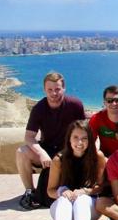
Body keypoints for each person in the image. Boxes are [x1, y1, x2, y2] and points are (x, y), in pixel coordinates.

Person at [17, 72, 86, 209]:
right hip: (47, 149)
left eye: (57, 89)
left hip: (69, 149)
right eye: (50, 90)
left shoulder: (75, 105)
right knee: (21, 152)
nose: (54, 93)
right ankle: (30, 192)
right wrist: (41, 153)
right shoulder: (38, 109)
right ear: (44, 90)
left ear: (64, 89)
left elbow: (84, 130)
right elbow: (29, 137)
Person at [47, 120, 106, 220]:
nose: (80, 142)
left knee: (82, 199)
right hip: (63, 211)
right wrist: (61, 192)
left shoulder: (97, 157)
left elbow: (101, 186)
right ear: (69, 138)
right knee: (64, 200)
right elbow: (50, 191)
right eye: (75, 137)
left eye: (84, 138)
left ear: (90, 140)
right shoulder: (59, 160)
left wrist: (86, 191)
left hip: (88, 209)